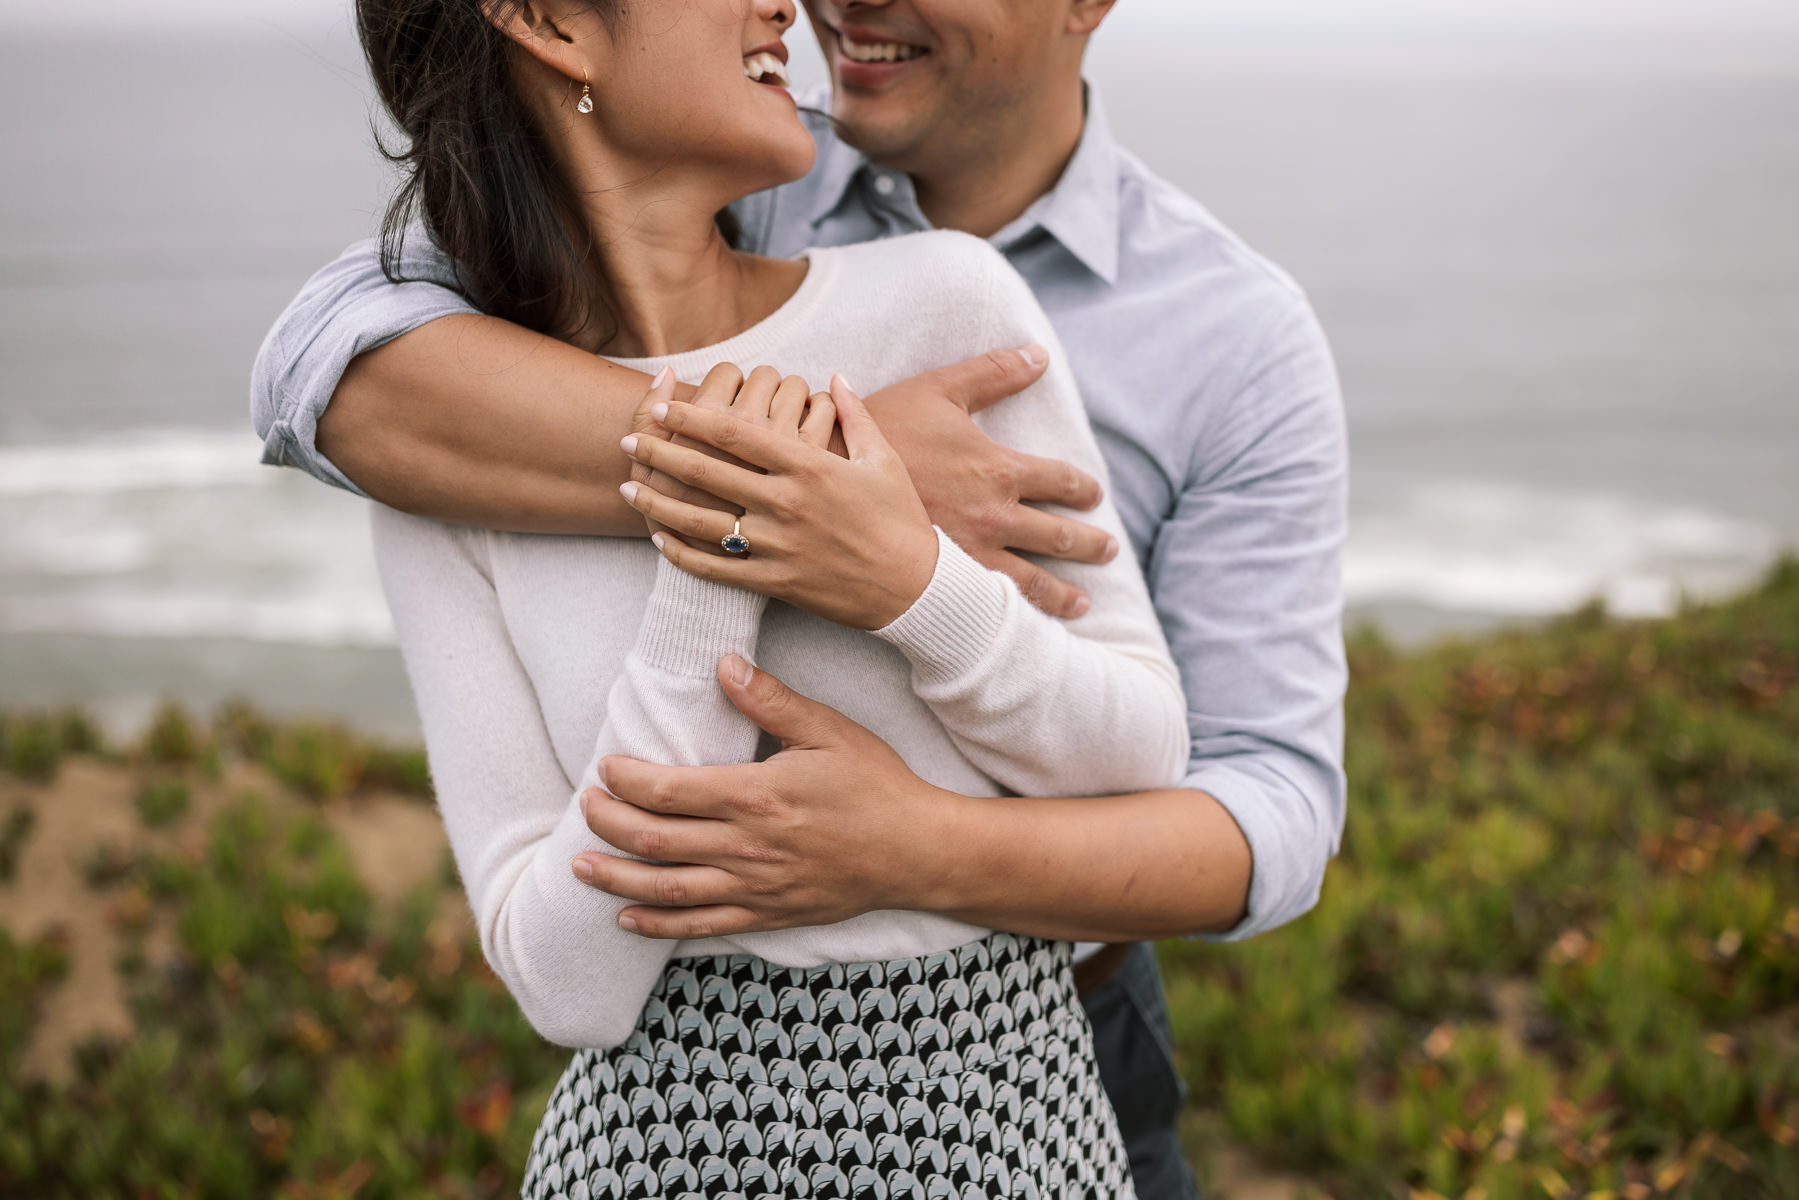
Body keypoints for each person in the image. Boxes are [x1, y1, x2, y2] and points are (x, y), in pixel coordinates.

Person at [252, 2, 1350, 1196]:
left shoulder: (1183, 328)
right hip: (658, 1146)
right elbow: (317, 368)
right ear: (550, 26)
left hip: (1037, 1074)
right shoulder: (461, 402)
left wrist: (913, 830)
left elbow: (1261, 798)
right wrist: (775, 486)